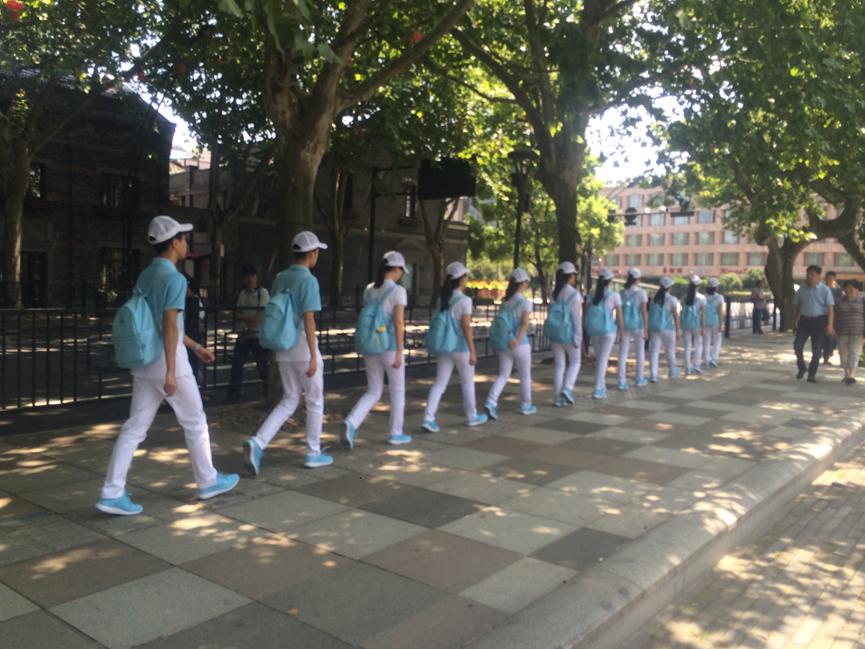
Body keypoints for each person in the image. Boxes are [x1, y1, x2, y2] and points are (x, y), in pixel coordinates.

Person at [96, 216, 238, 516]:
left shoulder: (146, 276)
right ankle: (208, 481)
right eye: (184, 239)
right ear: (174, 242)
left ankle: (111, 492)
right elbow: (170, 326)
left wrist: (196, 347)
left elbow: (161, 324)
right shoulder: (175, 279)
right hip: (168, 363)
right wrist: (172, 372)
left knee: (134, 428)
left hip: (144, 362)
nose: (186, 243)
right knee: (195, 421)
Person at [243, 231, 332, 473]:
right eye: (317, 252)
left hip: (283, 348)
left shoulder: (280, 278)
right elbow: (309, 319)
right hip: (303, 346)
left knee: (289, 399)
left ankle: (258, 442)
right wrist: (314, 355)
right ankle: (313, 452)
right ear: (311, 253)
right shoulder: (309, 281)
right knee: (314, 401)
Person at [341, 251, 412, 448]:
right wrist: (400, 351)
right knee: (397, 391)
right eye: (401, 271)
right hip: (389, 346)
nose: (401, 275)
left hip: (371, 345)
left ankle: (351, 423)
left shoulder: (369, 289)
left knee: (373, 391)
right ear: (395, 269)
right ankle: (395, 433)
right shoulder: (398, 291)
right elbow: (398, 322)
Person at [422, 262, 488, 432]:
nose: (467, 278)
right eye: (465, 276)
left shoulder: (442, 300)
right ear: (460, 279)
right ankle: (472, 416)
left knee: (439, 384)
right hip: (461, 347)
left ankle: (428, 418)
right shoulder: (465, 300)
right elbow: (466, 327)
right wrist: (473, 350)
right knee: (467, 383)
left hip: (445, 347)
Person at [485, 268, 536, 418]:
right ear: (522, 283)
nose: (527, 284)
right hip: (520, 344)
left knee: (503, 374)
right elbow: (524, 324)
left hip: (505, 344)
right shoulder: (526, 303)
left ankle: (491, 401)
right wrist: (517, 340)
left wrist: (511, 340)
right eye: (526, 282)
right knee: (525, 376)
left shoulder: (506, 303)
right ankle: (526, 405)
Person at [227, 265, 270, 401]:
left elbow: (257, 319)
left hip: (257, 335)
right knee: (237, 365)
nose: (249, 279)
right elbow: (237, 313)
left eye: (252, 276)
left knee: (262, 366)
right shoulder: (243, 293)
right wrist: (247, 319)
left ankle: (268, 392)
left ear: (256, 277)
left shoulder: (262, 293)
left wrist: (244, 318)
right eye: (246, 277)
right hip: (244, 334)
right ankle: (233, 394)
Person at [792, 264, 836, 383]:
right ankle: (802, 367)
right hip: (804, 321)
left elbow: (830, 309)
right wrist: (794, 321)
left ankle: (812, 374)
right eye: (808, 274)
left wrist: (830, 324)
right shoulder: (802, 289)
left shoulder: (825, 290)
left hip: (819, 321)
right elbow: (797, 306)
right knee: (797, 346)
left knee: (816, 351)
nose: (809, 276)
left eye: (812, 274)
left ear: (819, 276)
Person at [586, 267, 623, 399]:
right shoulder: (614, 295)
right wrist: (621, 332)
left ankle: (602, 386)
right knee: (603, 359)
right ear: (610, 281)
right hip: (608, 330)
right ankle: (598, 389)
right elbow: (619, 316)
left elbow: (586, 311)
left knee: (600, 358)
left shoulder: (592, 295)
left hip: (594, 329)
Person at [550, 261, 582, 407]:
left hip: (555, 333)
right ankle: (567, 388)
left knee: (559, 366)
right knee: (575, 362)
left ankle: (558, 398)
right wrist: (578, 337)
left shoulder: (555, 293)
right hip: (569, 333)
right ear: (570, 276)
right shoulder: (574, 295)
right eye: (574, 275)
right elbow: (576, 318)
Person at [618, 267, 649, 390]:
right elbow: (644, 312)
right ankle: (639, 379)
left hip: (624, 325)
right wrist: (646, 328)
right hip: (638, 326)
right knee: (640, 353)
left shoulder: (621, 293)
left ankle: (621, 381)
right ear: (638, 279)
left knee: (623, 354)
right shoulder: (642, 293)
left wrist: (619, 328)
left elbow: (619, 312)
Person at [648, 276, 681, 382]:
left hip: (654, 328)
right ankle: (673, 371)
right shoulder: (672, 299)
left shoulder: (654, 299)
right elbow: (675, 316)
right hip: (668, 329)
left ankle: (653, 375)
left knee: (654, 351)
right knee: (670, 351)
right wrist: (678, 329)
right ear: (669, 287)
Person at [834, 279, 865, 385]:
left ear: (857, 289)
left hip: (858, 331)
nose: (848, 290)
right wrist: (832, 327)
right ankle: (846, 374)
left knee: (854, 353)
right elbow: (834, 315)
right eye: (846, 288)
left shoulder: (862, 301)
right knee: (843, 354)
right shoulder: (838, 301)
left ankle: (851, 375)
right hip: (842, 331)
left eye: (851, 288)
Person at [182, 272, 205, 386]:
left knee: (193, 363)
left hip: (192, 336)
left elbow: (200, 317)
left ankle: (197, 385)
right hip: (188, 336)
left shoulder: (194, 301)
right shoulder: (186, 300)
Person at [681, 274, 707, 375]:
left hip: (686, 323)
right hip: (696, 324)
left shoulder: (684, 297)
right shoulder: (702, 298)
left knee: (687, 346)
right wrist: (703, 327)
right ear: (698, 285)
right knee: (698, 344)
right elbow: (702, 315)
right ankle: (696, 365)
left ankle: (687, 368)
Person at [703, 277, 725, 368]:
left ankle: (707, 360)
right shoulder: (719, 297)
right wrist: (721, 323)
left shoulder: (703, 297)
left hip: (705, 321)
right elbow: (720, 312)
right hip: (715, 321)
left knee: (706, 341)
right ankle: (714, 358)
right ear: (716, 287)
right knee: (717, 340)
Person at [822, 271, 842, 365]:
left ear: (834, 279)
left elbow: (840, 303)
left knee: (832, 339)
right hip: (822, 316)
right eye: (828, 278)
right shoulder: (821, 289)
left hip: (834, 317)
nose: (830, 280)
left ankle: (828, 355)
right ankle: (825, 357)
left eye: (831, 278)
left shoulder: (837, 291)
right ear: (825, 279)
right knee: (824, 337)